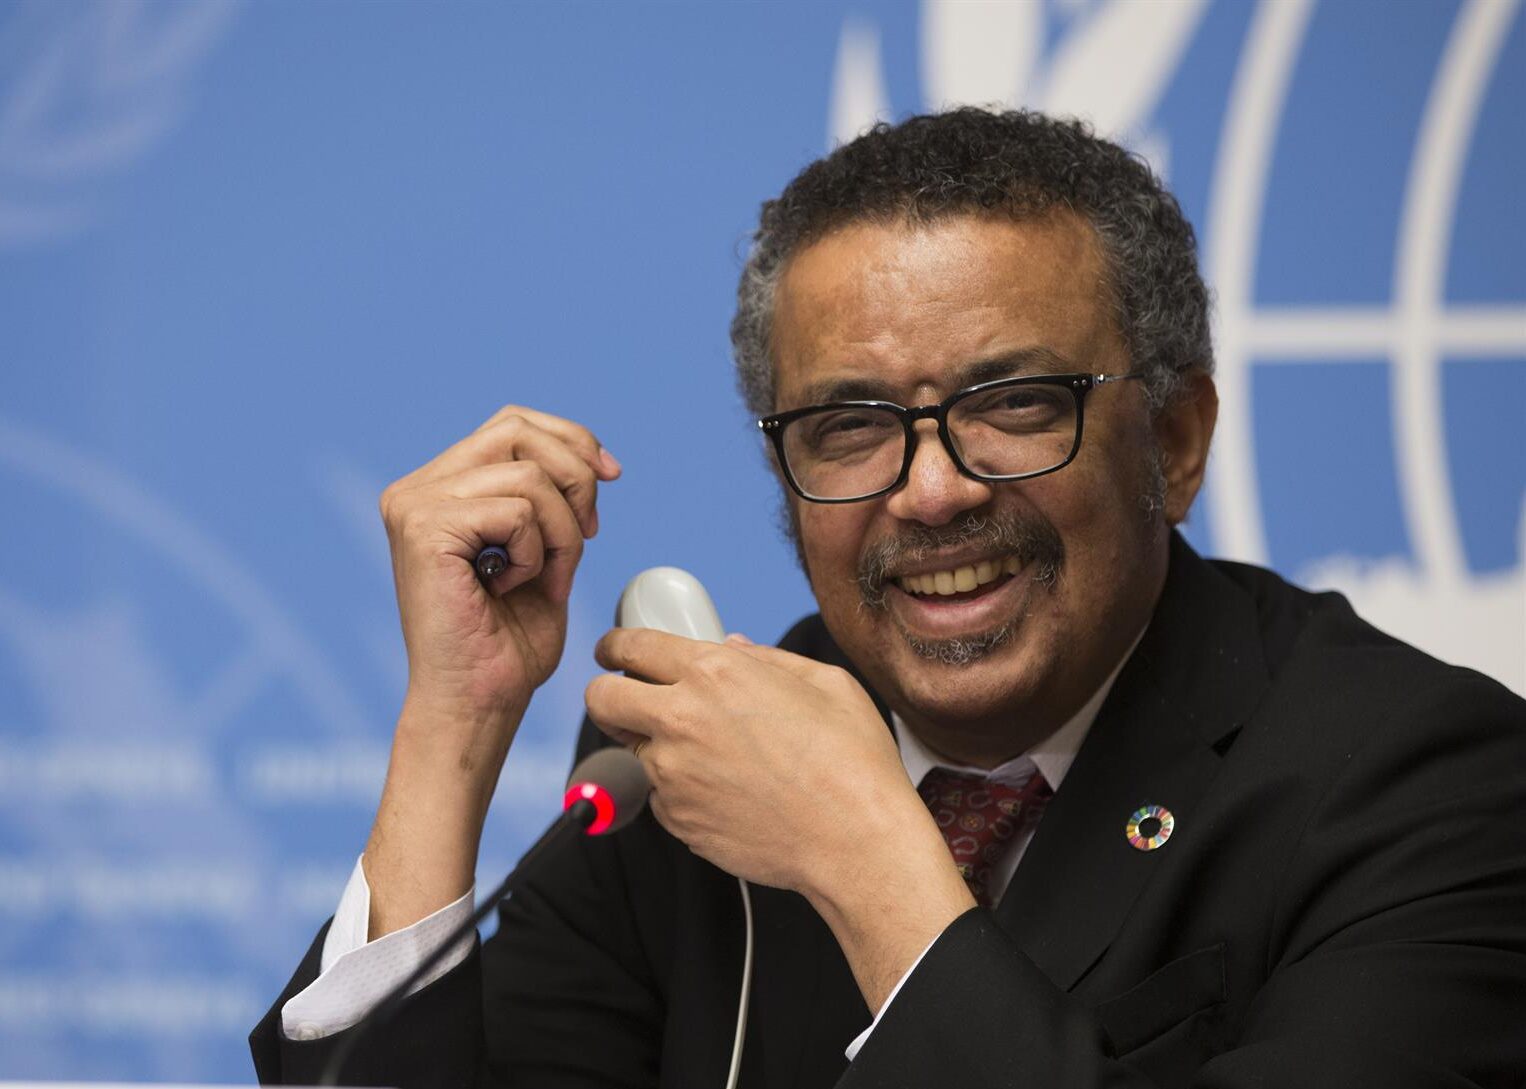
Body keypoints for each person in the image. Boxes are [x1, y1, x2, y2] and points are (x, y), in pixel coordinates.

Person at [250, 109, 1526, 1088]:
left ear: (1175, 441)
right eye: (849, 426)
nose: (929, 491)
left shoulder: (1424, 781)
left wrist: (866, 857)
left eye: (1012, 405)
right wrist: (453, 727)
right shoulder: (688, 763)